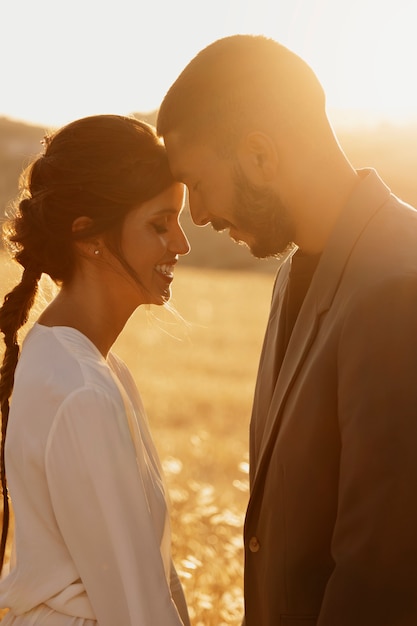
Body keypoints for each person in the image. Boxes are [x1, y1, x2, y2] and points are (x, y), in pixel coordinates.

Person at [156, 34, 417, 626]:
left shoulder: (399, 289)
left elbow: (381, 577)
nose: (195, 215)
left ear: (259, 156)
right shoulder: (294, 275)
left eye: (195, 183)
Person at [0, 114, 191, 625]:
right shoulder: (82, 390)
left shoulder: (78, 362)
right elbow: (137, 609)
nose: (181, 243)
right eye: (160, 223)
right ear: (88, 237)